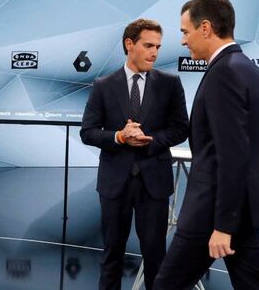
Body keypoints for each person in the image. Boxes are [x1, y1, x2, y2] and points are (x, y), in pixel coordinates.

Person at [153, 0, 259, 290]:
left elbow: (232, 155)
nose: (183, 41)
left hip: (213, 213)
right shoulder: (247, 68)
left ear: (205, 28)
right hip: (243, 207)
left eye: (186, 31)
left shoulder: (225, 73)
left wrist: (223, 225)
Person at [80, 18, 188, 290]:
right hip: (114, 183)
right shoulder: (103, 85)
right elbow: (88, 132)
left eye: (158, 47)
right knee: (112, 255)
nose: (154, 52)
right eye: (148, 45)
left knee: (155, 257)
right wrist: (118, 136)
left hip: (154, 182)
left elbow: (180, 129)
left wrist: (150, 141)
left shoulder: (170, 84)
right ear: (130, 44)